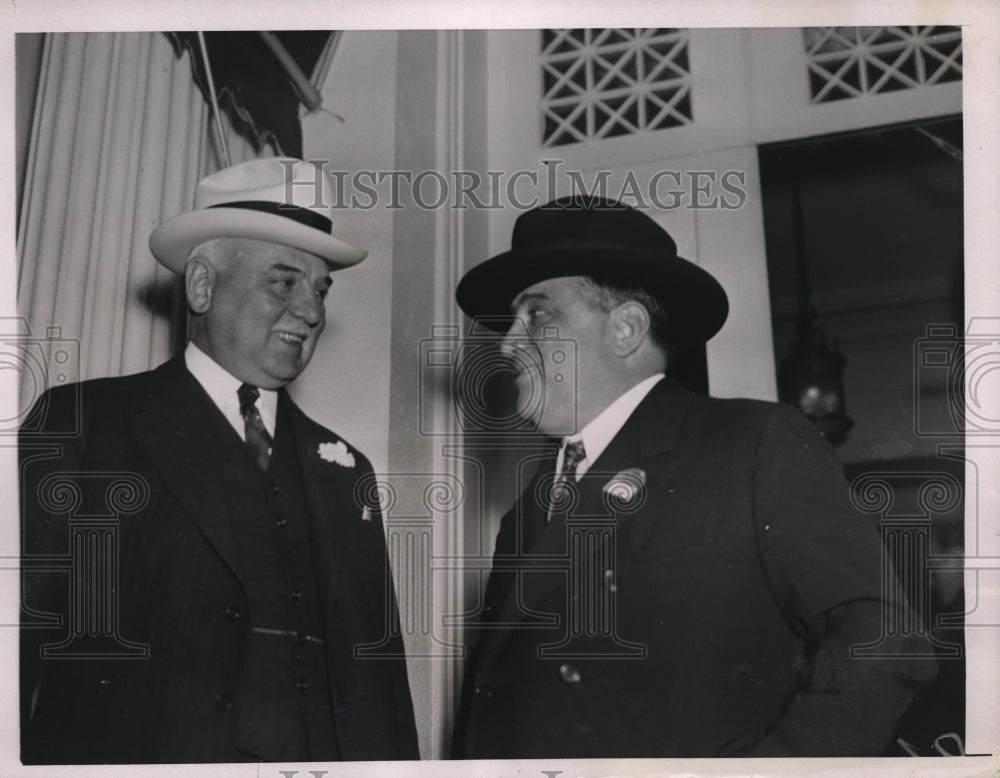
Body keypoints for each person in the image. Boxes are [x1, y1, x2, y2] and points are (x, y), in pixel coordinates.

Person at [450, 195, 937, 759]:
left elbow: (882, 640)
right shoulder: (528, 508)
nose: (507, 342)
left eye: (536, 314)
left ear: (626, 327)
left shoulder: (752, 443)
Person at [19, 157, 418, 764]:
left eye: (319, 290)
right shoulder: (85, 426)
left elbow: (379, 695)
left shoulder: (346, 471)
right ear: (202, 284)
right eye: (284, 282)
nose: (311, 311)